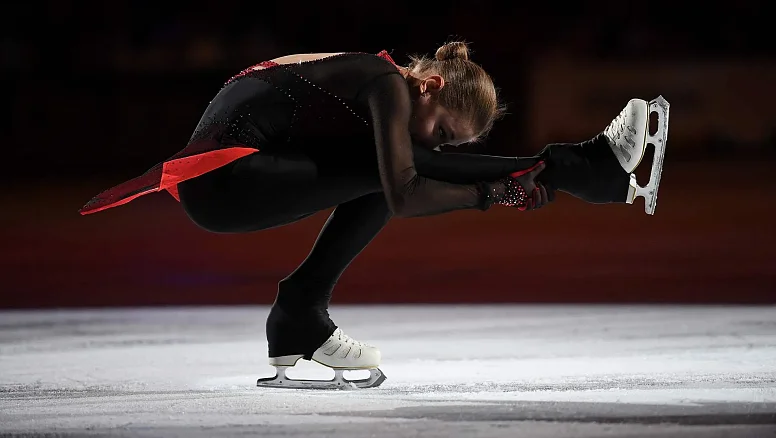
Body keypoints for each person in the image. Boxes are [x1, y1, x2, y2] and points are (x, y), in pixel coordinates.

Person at [79, 41, 666, 389]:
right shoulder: (384, 83)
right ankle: (581, 167)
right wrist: (492, 195)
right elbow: (405, 194)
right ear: (429, 85)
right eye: (443, 129)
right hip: (223, 182)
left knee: (392, 166)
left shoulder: (376, 80)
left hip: (227, 182)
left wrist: (497, 187)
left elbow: (410, 174)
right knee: (392, 172)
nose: (436, 141)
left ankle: (298, 317)